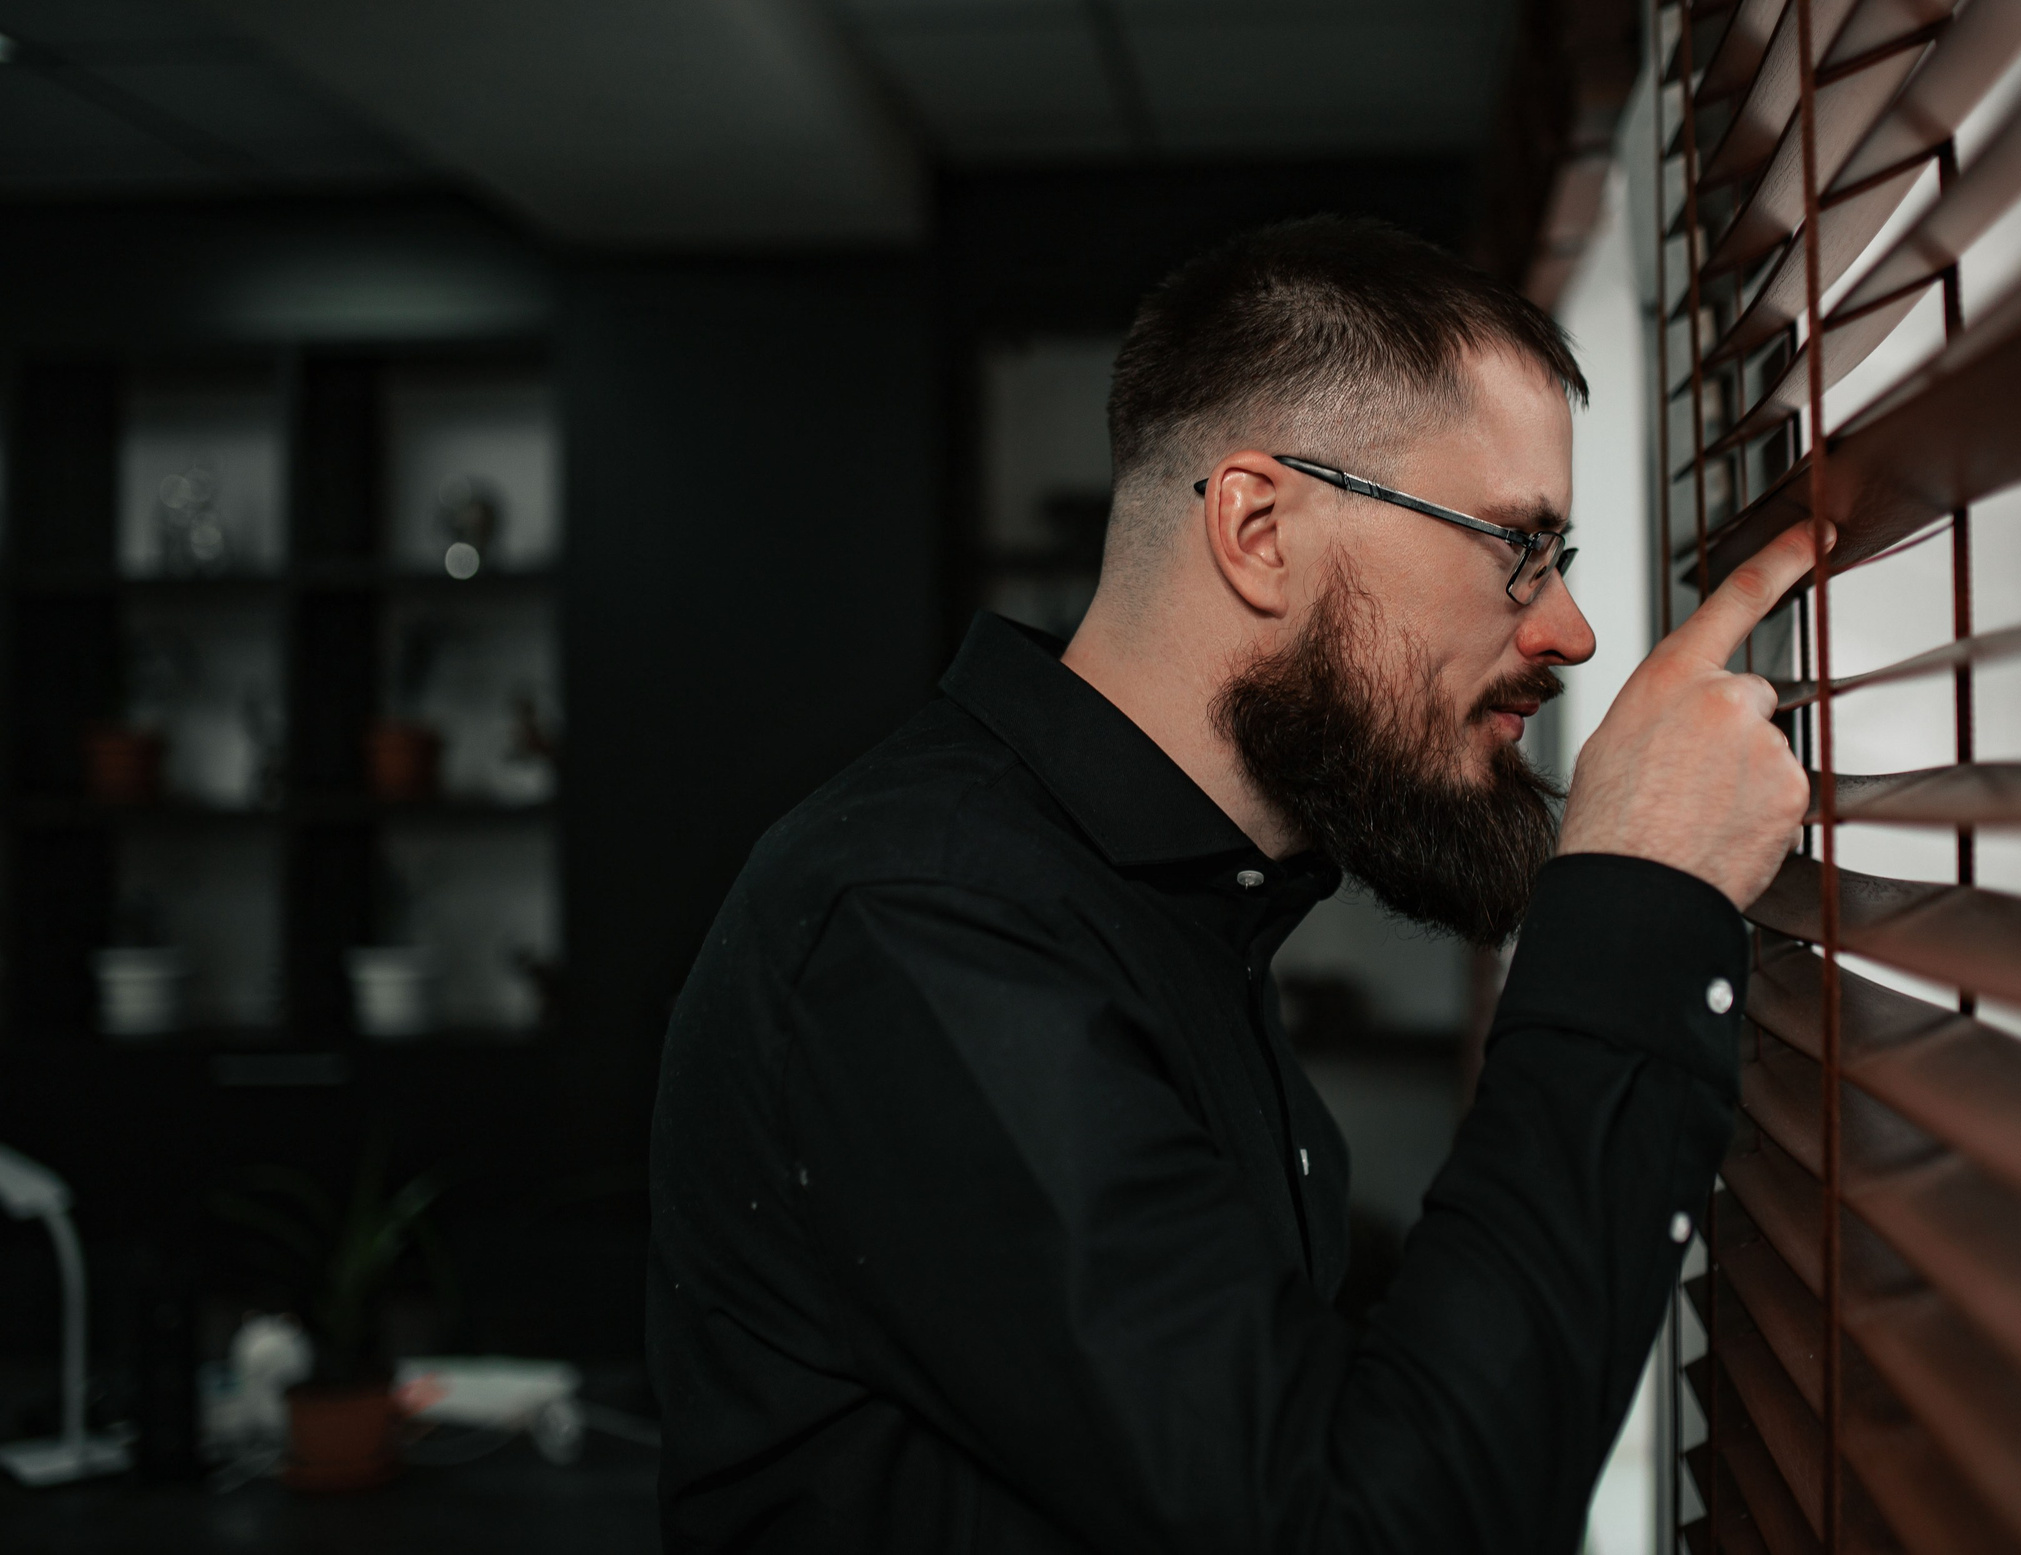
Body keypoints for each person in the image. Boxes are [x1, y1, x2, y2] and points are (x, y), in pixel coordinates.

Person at [649, 217, 1818, 1553]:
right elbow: (1362, 1526)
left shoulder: (1177, 902)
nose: (1567, 629)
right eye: (1517, 548)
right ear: (1259, 526)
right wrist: (1636, 902)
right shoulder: (922, 926)